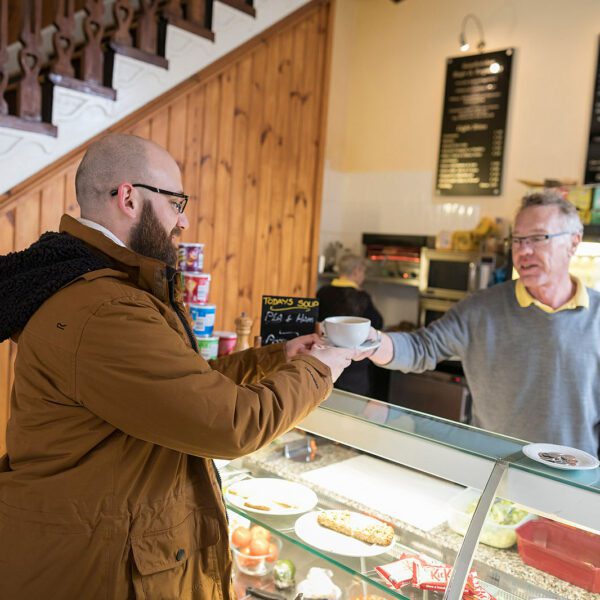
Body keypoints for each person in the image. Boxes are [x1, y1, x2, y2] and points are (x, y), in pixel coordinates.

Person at [0, 133, 355, 599]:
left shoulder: (101, 289)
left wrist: (275, 359)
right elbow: (231, 424)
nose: (183, 219)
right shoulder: (105, 309)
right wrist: (319, 370)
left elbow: (180, 388)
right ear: (129, 197)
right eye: (175, 201)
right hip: (96, 571)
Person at [361, 190, 600, 457]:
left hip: (578, 482)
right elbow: (421, 347)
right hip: (496, 471)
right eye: (518, 239)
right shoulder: (481, 309)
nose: (524, 250)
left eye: (538, 238)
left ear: (573, 243)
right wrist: (368, 341)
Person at [317, 253, 383, 397]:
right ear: (357, 271)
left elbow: (316, 321)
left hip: (325, 360)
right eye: (363, 272)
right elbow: (378, 323)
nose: (363, 276)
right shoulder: (362, 297)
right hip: (354, 366)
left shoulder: (323, 292)